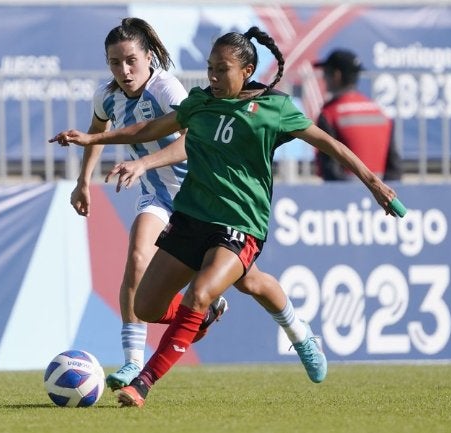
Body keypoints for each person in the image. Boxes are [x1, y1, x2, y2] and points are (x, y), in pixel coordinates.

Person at [50, 26, 399, 407]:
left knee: (198, 293)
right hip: (192, 217)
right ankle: (291, 329)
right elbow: (149, 128)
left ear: (247, 70)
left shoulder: (274, 109)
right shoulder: (199, 102)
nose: (213, 77)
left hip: (240, 223)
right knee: (154, 306)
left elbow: (328, 143)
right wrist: (92, 139)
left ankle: (144, 380)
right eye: (210, 68)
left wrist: (374, 183)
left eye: (223, 69)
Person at [70, 18, 325, 393]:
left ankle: (298, 331)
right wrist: (82, 183)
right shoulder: (105, 96)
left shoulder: (167, 90)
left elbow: (189, 140)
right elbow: (98, 134)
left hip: (201, 193)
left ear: (149, 57)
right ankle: (132, 362)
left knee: (250, 283)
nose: (123, 70)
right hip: (158, 195)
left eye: (130, 61)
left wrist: (142, 163)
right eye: (114, 62)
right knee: (137, 260)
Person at [313, 49, 403, 181]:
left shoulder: (329, 114)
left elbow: (330, 170)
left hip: (346, 196)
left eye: (325, 73)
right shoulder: (380, 112)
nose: (324, 79)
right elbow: (395, 169)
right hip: (381, 195)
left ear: (336, 75)